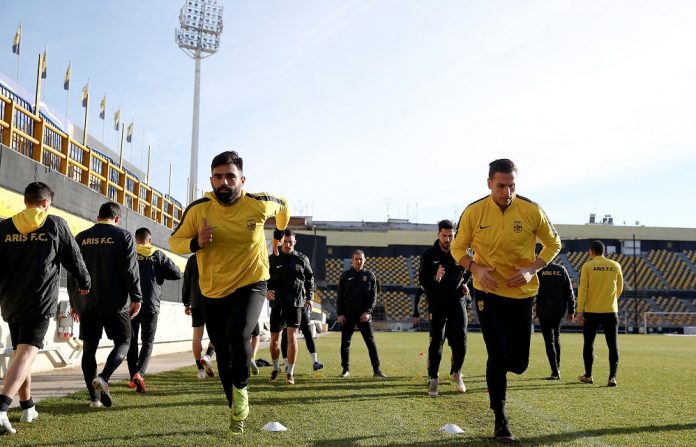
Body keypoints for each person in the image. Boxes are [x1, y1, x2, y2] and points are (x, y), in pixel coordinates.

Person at [169, 150, 289, 433]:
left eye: (230, 176)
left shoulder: (258, 204)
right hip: (213, 290)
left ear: (242, 180)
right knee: (222, 353)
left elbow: (284, 206)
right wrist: (196, 243)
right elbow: (175, 241)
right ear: (211, 179)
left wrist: (278, 235)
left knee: (239, 332)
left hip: (252, 282)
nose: (224, 182)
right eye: (218, 177)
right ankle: (235, 410)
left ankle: (242, 388)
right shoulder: (199, 209)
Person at [451, 159, 561, 443]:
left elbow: (554, 243)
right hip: (487, 293)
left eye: (512, 186)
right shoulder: (474, 212)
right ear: (489, 183)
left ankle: (499, 373)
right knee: (497, 355)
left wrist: (531, 269)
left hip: (522, 295)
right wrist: (474, 268)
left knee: (520, 362)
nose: (507, 192)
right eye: (501, 186)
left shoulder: (531, 210)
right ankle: (500, 419)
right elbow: (457, 247)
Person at [0, 182, 90, 435]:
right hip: (39, 301)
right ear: (45, 203)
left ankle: (28, 406)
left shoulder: (5, 227)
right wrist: (85, 282)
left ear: (25, 201)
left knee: (20, 353)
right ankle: (2, 407)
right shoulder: (55, 224)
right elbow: (74, 257)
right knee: (27, 353)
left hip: (10, 301)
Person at [68, 202, 142, 409]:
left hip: (87, 302)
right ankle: (104, 377)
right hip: (115, 303)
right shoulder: (124, 236)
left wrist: (74, 302)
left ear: (97, 217)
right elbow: (130, 270)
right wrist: (137, 297)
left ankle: (94, 399)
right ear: (117, 219)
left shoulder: (81, 237)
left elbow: (73, 272)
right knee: (125, 341)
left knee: (89, 348)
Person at [418, 219, 471, 397]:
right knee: (437, 340)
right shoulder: (428, 254)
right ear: (438, 234)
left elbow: (470, 270)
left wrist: (465, 283)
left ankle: (457, 372)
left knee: (461, 338)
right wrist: (435, 278)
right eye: (444, 235)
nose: (447, 239)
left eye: (450, 236)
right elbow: (422, 280)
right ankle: (433, 377)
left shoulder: (462, 252)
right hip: (437, 302)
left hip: (457, 301)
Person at [127, 227, 182, 393]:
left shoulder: (130, 253)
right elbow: (177, 273)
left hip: (131, 303)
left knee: (131, 341)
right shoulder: (157, 255)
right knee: (147, 341)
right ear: (149, 240)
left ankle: (132, 376)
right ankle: (140, 374)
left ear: (136, 240)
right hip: (151, 304)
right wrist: (159, 273)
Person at [267, 229, 314, 385]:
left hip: (295, 303)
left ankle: (290, 372)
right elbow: (264, 279)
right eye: (285, 242)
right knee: (274, 340)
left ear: (295, 242)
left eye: (290, 242)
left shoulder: (302, 259)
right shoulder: (273, 259)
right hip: (277, 304)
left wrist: (309, 297)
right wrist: (266, 291)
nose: (287, 245)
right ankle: (276, 368)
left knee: (292, 338)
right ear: (281, 242)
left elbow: (310, 279)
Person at [576, 240, 624, 387]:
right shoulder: (615, 265)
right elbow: (620, 288)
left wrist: (580, 310)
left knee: (588, 344)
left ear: (591, 252)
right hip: (610, 311)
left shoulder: (588, 266)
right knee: (613, 345)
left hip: (592, 312)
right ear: (604, 251)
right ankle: (612, 377)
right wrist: (611, 300)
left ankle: (588, 375)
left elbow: (583, 289)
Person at [336, 250, 386, 379]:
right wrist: (340, 313)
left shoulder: (370, 276)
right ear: (352, 260)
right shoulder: (345, 275)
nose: (358, 261)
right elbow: (339, 296)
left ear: (365, 260)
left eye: (361, 259)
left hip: (364, 316)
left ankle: (377, 370)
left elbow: (373, 297)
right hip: (348, 315)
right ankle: (345, 370)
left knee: (370, 343)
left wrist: (368, 312)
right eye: (356, 259)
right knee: (345, 343)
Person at [536, 258, 575, 380]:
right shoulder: (561, 269)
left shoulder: (539, 271)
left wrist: (531, 308)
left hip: (543, 311)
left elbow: (533, 291)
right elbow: (569, 291)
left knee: (549, 340)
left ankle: (555, 371)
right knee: (556, 337)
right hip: (558, 311)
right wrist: (571, 310)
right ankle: (557, 368)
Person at [182, 253, 216, 379]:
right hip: (213, 300)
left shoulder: (192, 259)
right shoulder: (215, 254)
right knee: (216, 334)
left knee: (197, 336)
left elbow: (186, 281)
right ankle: (207, 356)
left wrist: (186, 302)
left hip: (196, 302)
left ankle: (200, 370)